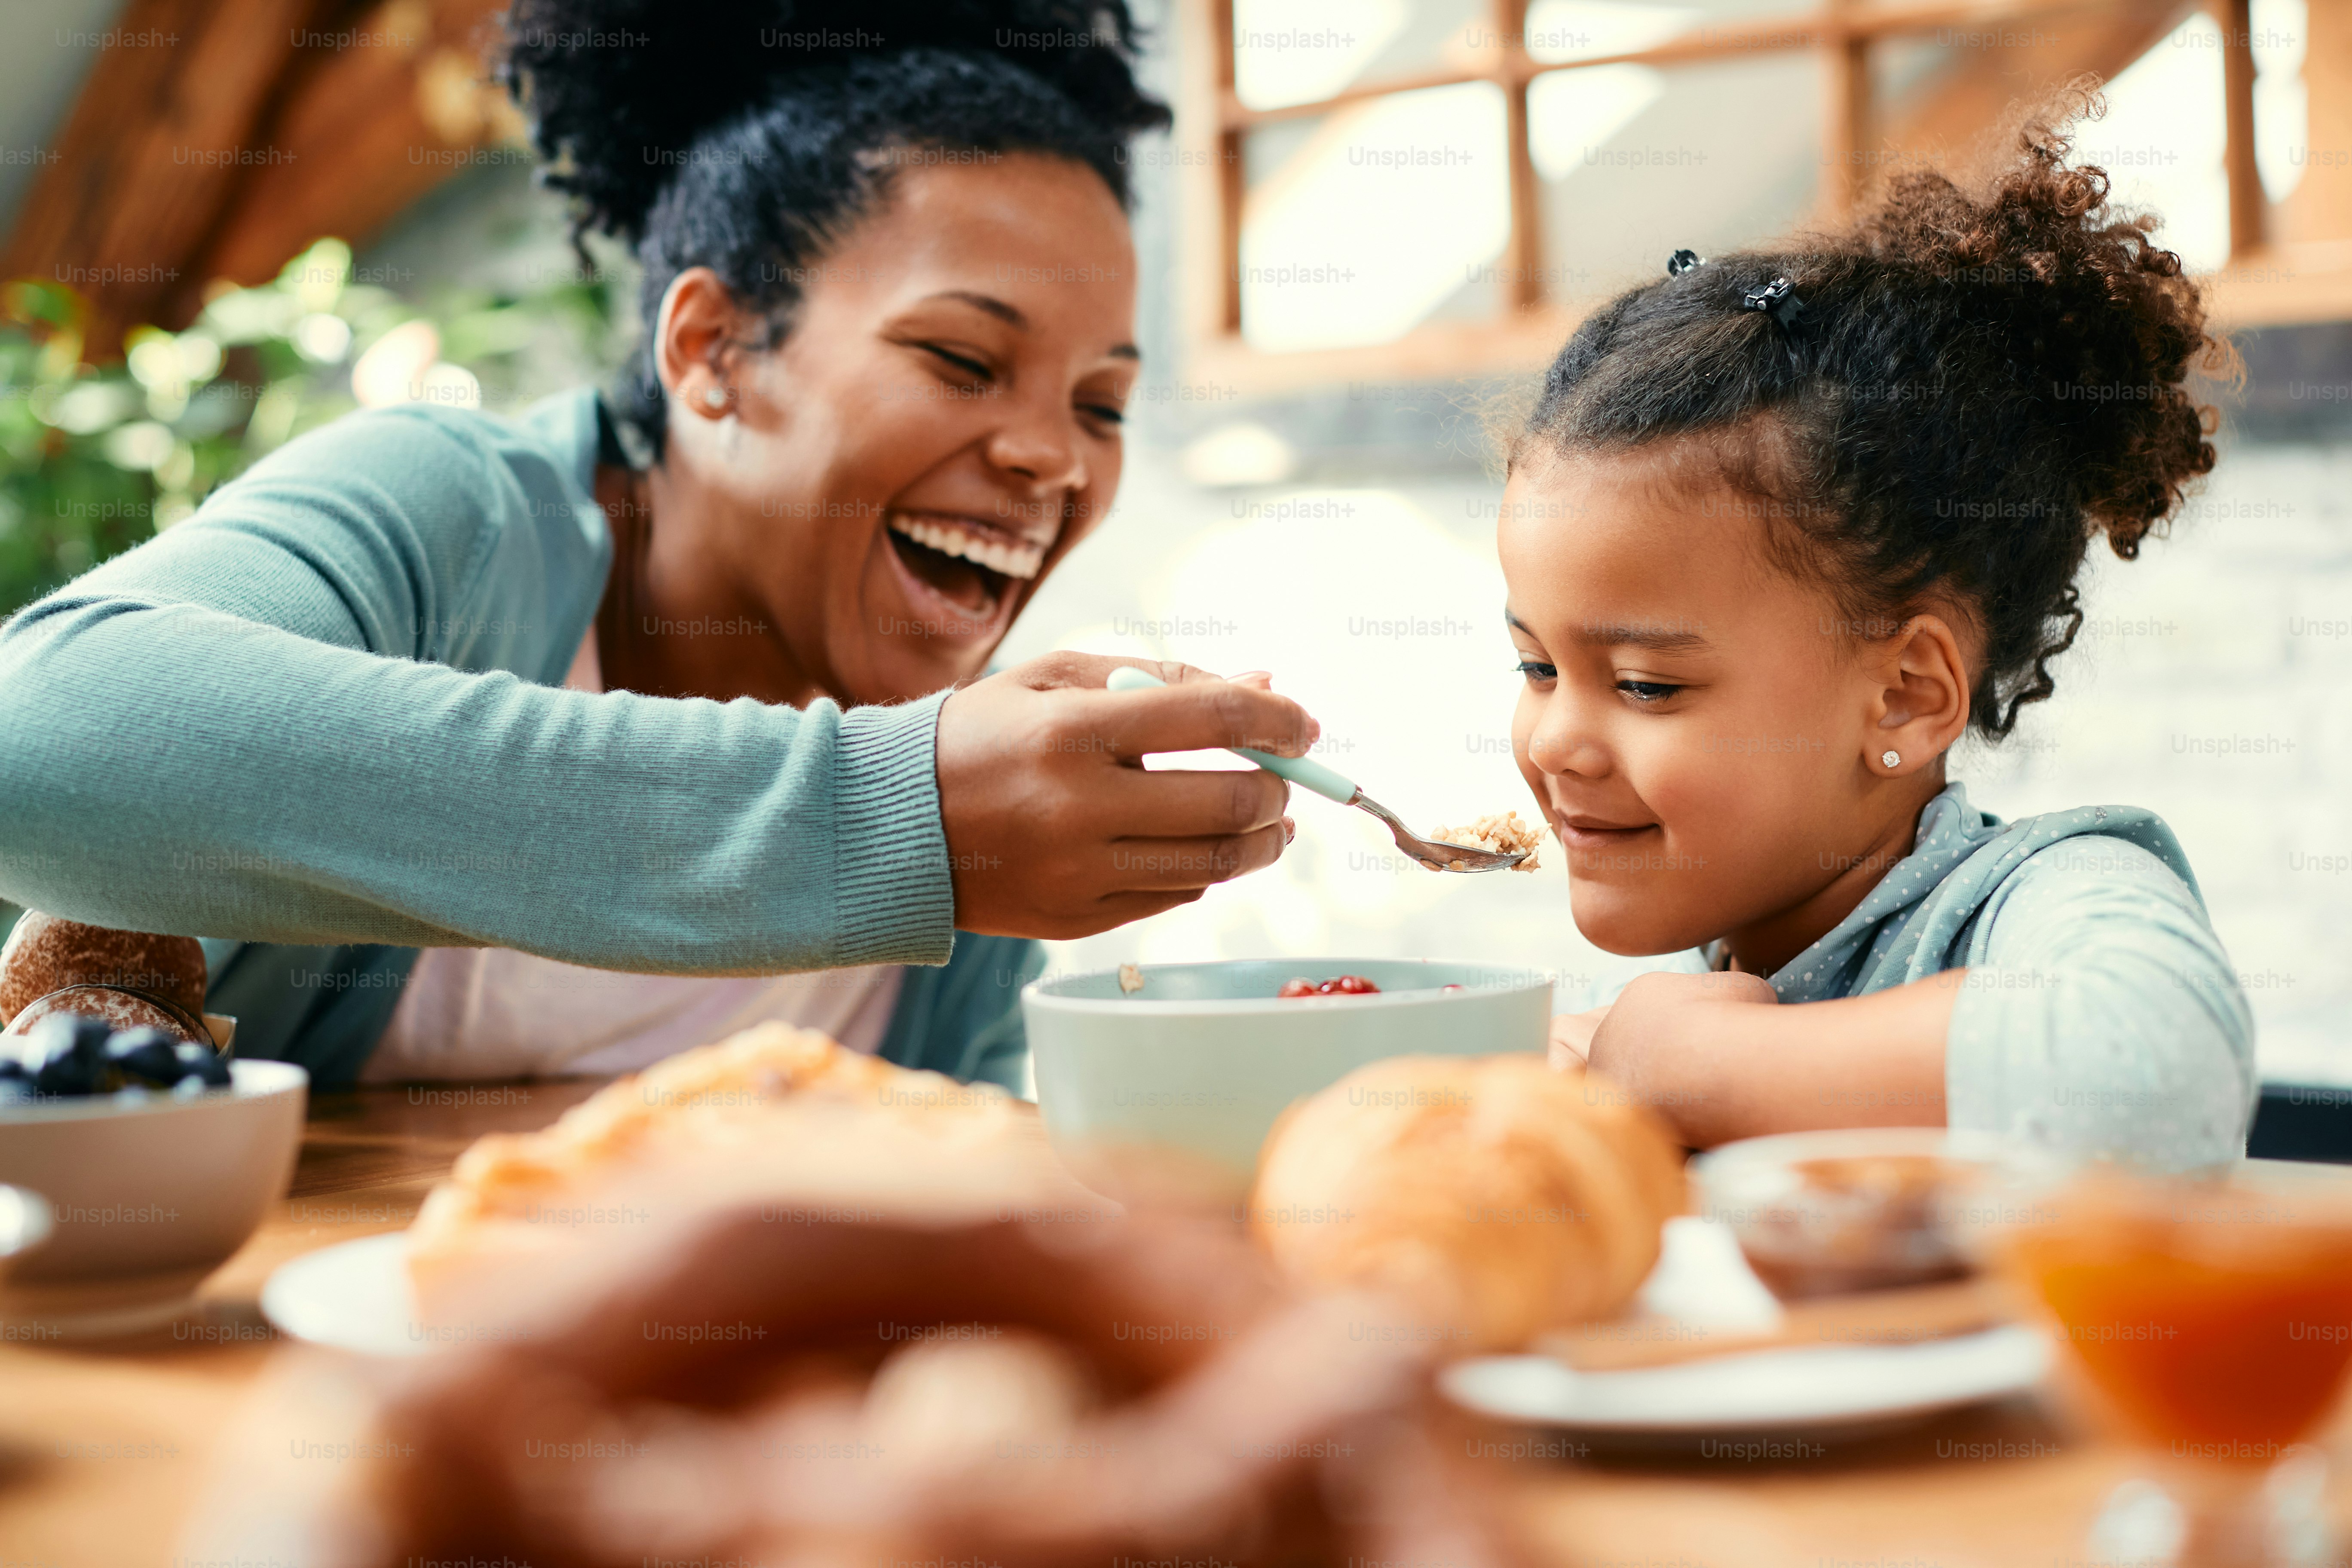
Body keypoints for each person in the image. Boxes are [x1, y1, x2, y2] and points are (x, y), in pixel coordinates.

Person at [0, 0, 1319, 1089]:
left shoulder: (971, 765)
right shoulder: (460, 515)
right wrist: (880, 822)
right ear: (713, 353)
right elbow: (42, 731)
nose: (1057, 456)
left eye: (1103, 404)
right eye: (962, 358)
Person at [1502, 97, 2252, 1168]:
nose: (1553, 742)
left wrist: (1693, 1075)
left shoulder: (2033, 900)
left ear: (1904, 693)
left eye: (1646, 685)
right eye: (1536, 665)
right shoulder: (1705, 975)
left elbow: (2156, 1077)